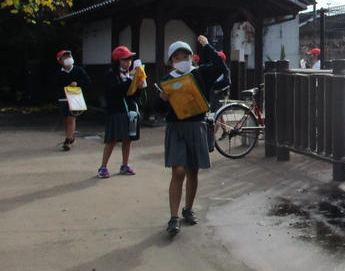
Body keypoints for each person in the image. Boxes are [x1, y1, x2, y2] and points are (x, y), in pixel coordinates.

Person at [155, 35, 225, 235]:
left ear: (192, 57)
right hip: (176, 128)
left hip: (196, 126)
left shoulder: (200, 73)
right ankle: (173, 217)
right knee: (178, 171)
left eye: (186, 56)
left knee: (193, 171)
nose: (182, 60)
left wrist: (207, 47)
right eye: (177, 57)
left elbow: (220, 67)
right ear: (171, 61)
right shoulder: (167, 81)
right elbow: (159, 110)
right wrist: (162, 99)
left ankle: (188, 209)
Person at [97, 46, 146, 178]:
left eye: (130, 59)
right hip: (116, 111)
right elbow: (115, 91)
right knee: (111, 140)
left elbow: (134, 96)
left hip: (130, 111)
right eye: (124, 59)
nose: (128, 62)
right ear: (117, 61)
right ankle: (103, 167)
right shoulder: (111, 74)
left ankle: (125, 165)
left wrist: (139, 87)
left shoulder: (130, 74)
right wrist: (131, 80)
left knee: (128, 139)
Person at [53, 49, 91, 151]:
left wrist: (77, 83)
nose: (68, 59)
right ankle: (70, 137)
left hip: (75, 98)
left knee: (71, 118)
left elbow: (87, 81)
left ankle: (68, 140)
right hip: (63, 99)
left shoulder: (79, 70)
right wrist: (65, 88)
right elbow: (55, 86)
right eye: (65, 57)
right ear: (60, 61)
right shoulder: (59, 73)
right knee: (66, 120)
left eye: (69, 56)